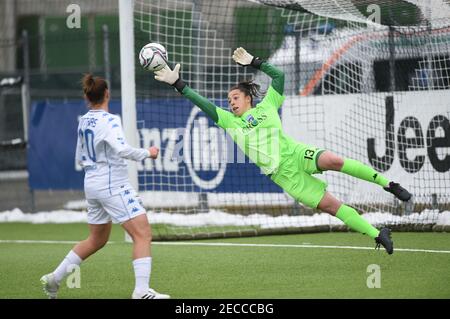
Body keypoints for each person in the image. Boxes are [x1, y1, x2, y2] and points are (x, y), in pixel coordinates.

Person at [154, 47, 412, 255]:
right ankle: (377, 234)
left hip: (295, 152)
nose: (230, 102)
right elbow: (203, 104)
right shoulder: (229, 122)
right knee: (333, 206)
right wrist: (179, 84)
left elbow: (279, 77)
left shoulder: (268, 105)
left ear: (247, 98)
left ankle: (388, 183)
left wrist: (255, 62)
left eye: (234, 97)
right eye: (228, 99)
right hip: (284, 176)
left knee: (333, 160)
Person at [40, 74, 170, 299]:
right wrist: (147, 153)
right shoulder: (110, 120)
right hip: (112, 185)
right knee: (143, 234)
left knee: (97, 240)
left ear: (87, 96)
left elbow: (80, 156)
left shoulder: (84, 120)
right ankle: (141, 292)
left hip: (92, 184)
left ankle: (54, 279)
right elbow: (122, 150)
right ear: (107, 93)